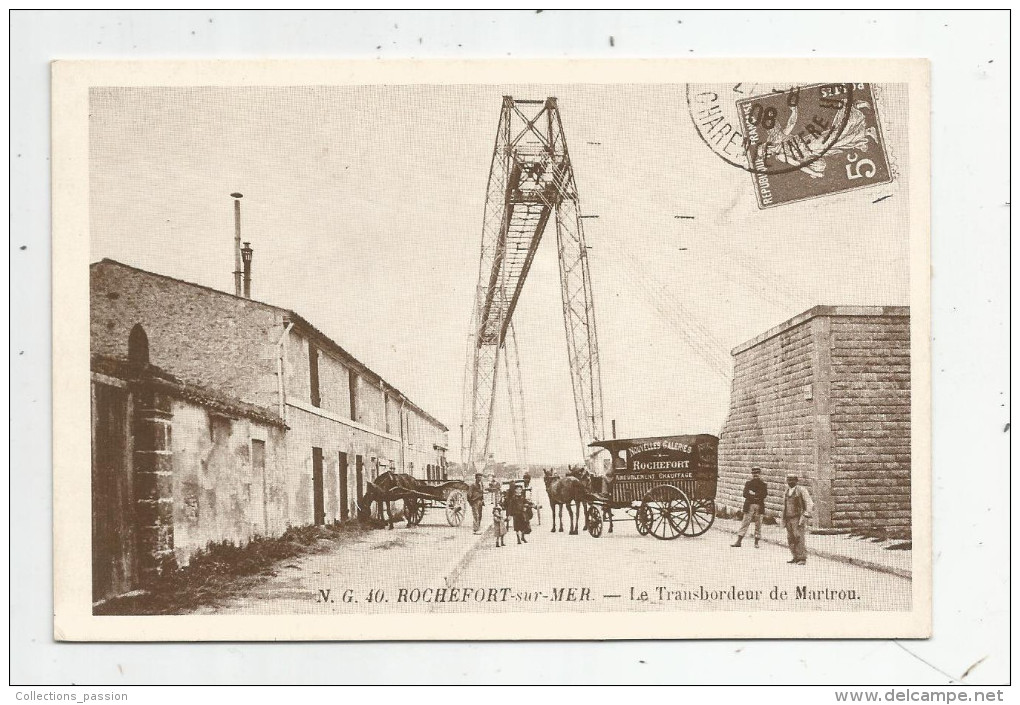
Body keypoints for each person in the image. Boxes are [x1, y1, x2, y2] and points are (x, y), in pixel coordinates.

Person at [732, 467, 768, 548]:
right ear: (752, 474)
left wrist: (753, 494)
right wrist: (757, 495)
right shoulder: (748, 483)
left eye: (757, 473)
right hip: (749, 506)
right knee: (745, 523)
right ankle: (739, 541)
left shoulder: (763, 484)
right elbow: (745, 494)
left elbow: (764, 495)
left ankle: (756, 542)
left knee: (758, 524)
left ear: (760, 474)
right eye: (754, 473)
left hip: (759, 506)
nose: (755, 475)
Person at [783, 473, 814, 565]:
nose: (790, 482)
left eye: (792, 480)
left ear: (796, 481)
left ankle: (802, 558)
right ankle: (795, 556)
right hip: (788, 518)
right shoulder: (786, 491)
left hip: (797, 518)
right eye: (789, 480)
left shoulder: (801, 490)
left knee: (799, 537)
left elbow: (809, 503)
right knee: (790, 538)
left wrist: (806, 514)